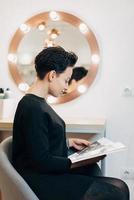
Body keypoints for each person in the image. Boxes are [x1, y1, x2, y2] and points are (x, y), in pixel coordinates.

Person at [12, 46, 129, 200]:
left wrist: (68, 143)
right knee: (117, 192)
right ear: (52, 75)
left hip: (47, 174)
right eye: (66, 80)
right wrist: (79, 161)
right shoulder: (32, 108)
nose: (66, 87)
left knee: (120, 186)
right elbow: (42, 161)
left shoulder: (37, 104)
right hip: (41, 181)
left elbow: (37, 142)